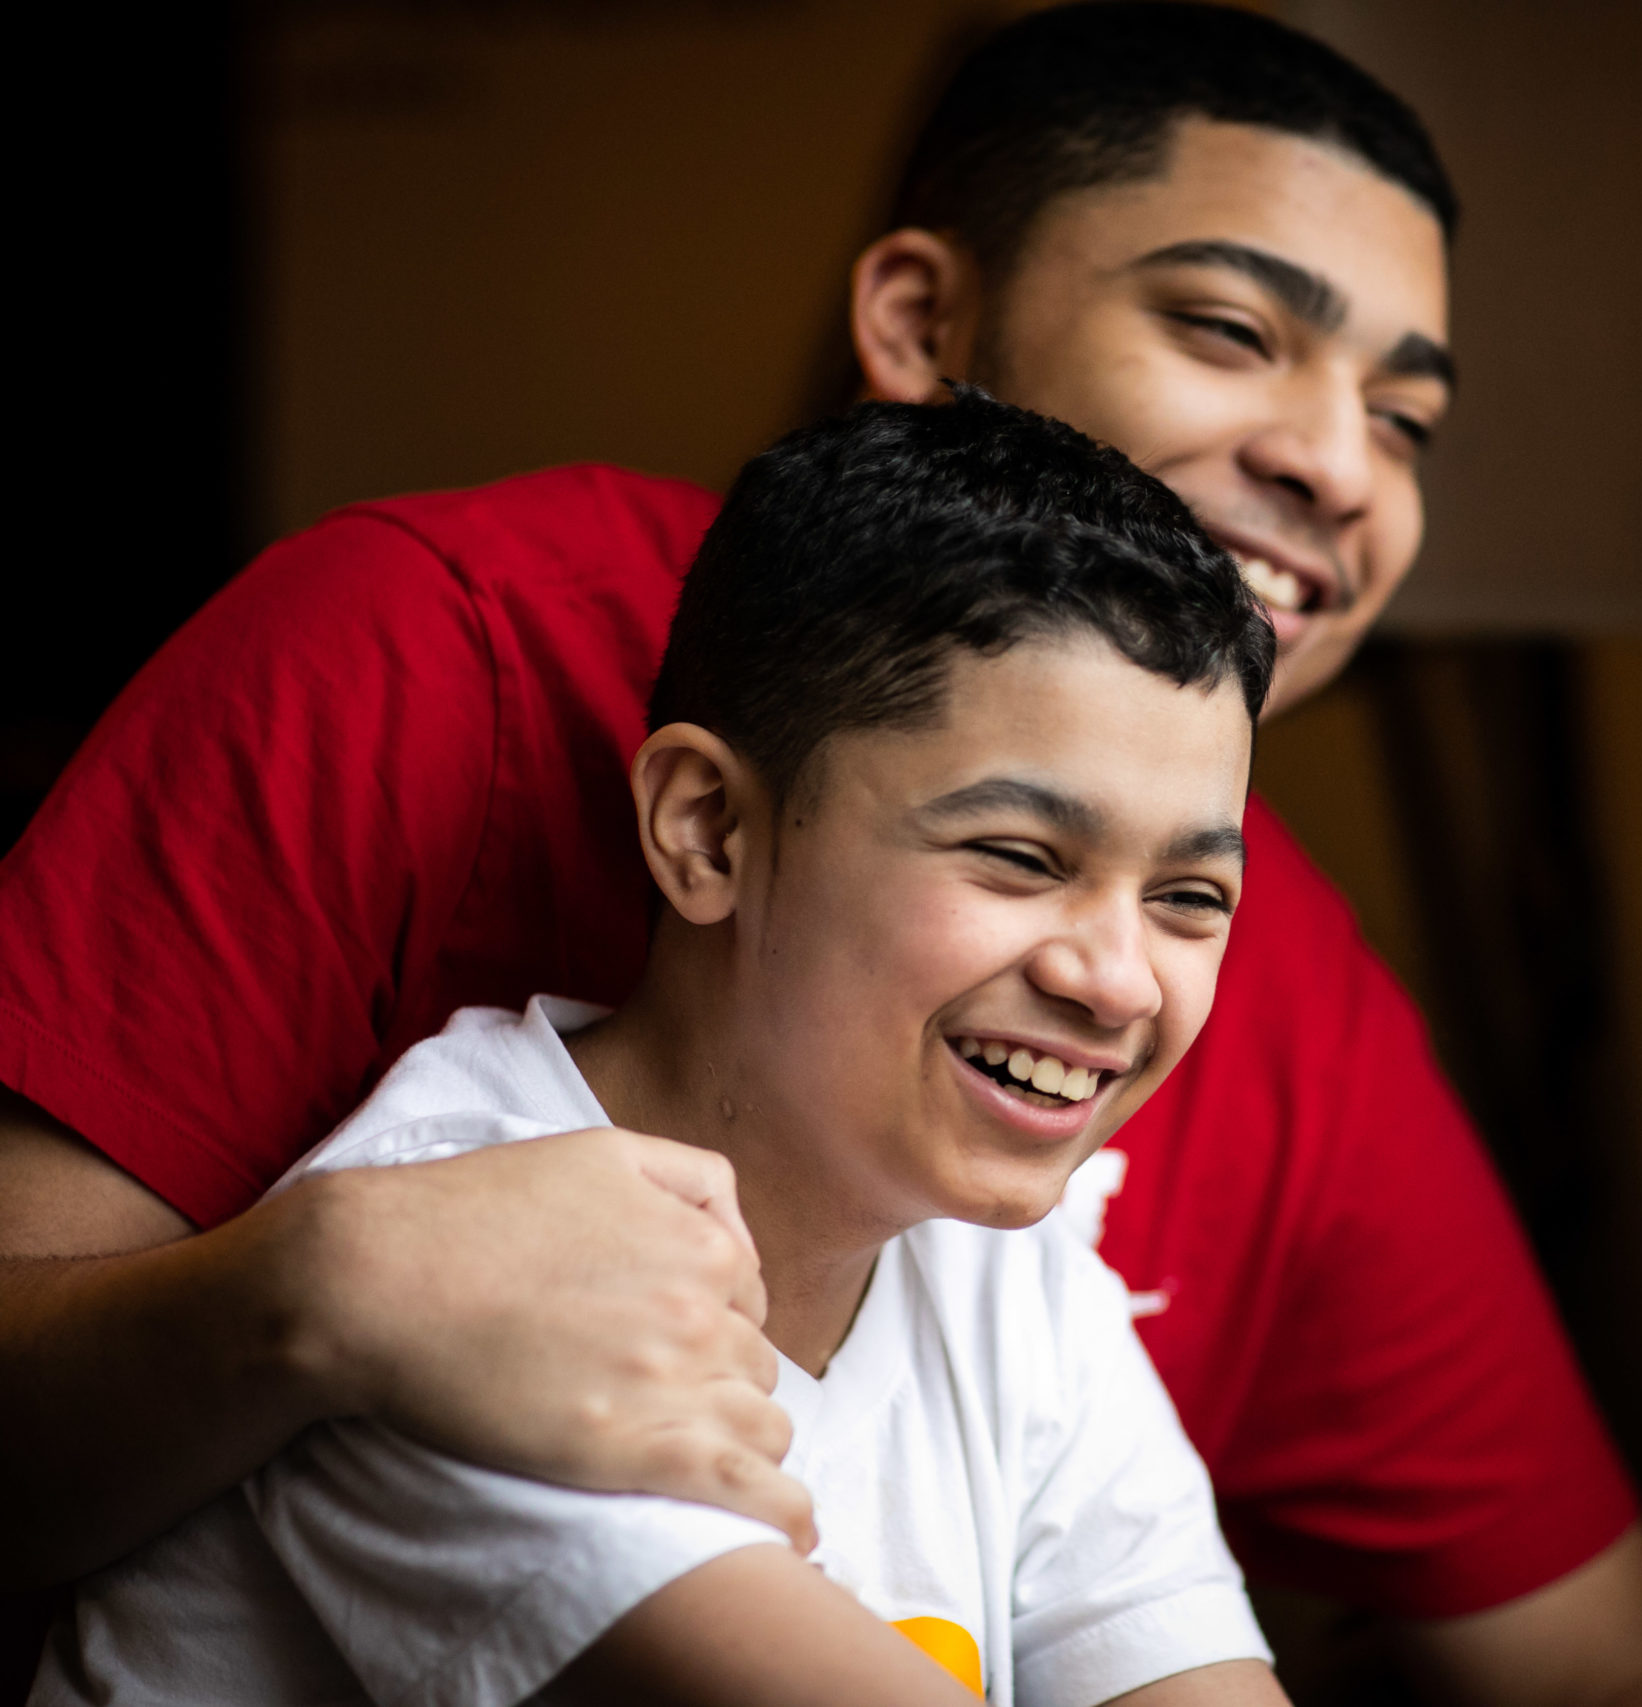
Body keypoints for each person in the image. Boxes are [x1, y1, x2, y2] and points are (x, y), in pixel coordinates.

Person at [0, 7, 1642, 1701]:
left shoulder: (1061, 1218)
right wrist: (322, 1284)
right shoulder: (427, 675)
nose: (1342, 466)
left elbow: (1583, 1654)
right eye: (1225, 328)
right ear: (705, 830)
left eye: (1409, 419)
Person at [36, 393, 1282, 1707]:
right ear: (709, 835)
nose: (1118, 979)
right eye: (1020, 858)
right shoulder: (459, 1261)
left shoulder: (1011, 1276)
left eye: (1189, 898)